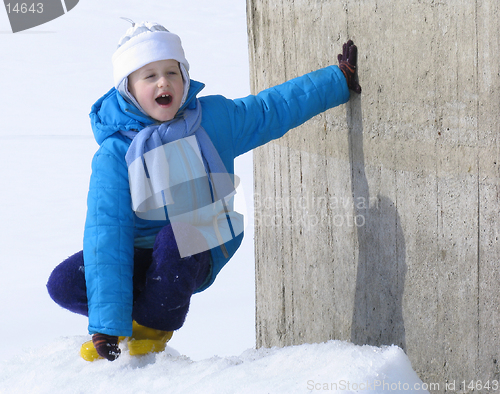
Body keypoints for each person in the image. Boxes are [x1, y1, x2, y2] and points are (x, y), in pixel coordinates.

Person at [46, 20, 361, 362]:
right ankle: (127, 324)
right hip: (140, 250)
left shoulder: (212, 119)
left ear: (184, 79)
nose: (163, 81)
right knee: (64, 282)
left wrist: (336, 80)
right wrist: (106, 325)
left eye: (172, 72)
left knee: (173, 240)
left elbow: (271, 109)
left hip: (205, 238)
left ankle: (152, 327)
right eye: (149, 76)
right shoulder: (114, 154)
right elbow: (106, 234)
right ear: (128, 89)